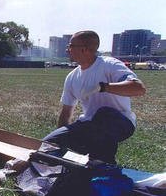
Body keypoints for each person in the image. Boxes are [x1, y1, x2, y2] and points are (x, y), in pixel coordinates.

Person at [43, 30, 146, 163]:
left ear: (84, 49)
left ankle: (104, 164)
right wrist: (61, 140)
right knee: (48, 144)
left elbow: (139, 88)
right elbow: (66, 113)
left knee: (103, 115)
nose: (68, 50)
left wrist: (103, 87)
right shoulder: (72, 77)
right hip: (89, 125)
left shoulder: (110, 65)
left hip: (121, 123)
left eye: (71, 46)